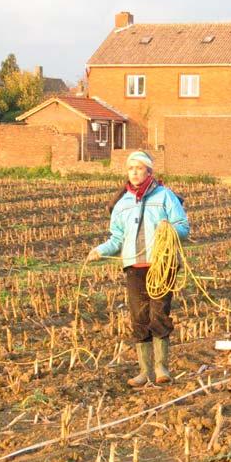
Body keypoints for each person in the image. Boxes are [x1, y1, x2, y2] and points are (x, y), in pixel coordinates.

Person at [87, 151, 189, 387]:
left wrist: (169, 230)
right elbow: (117, 238)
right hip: (134, 267)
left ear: (149, 172)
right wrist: (100, 250)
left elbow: (183, 227)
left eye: (139, 168)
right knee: (139, 318)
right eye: (130, 168)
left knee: (159, 314)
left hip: (161, 265)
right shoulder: (122, 204)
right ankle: (144, 372)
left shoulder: (165, 196)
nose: (134, 172)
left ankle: (162, 367)